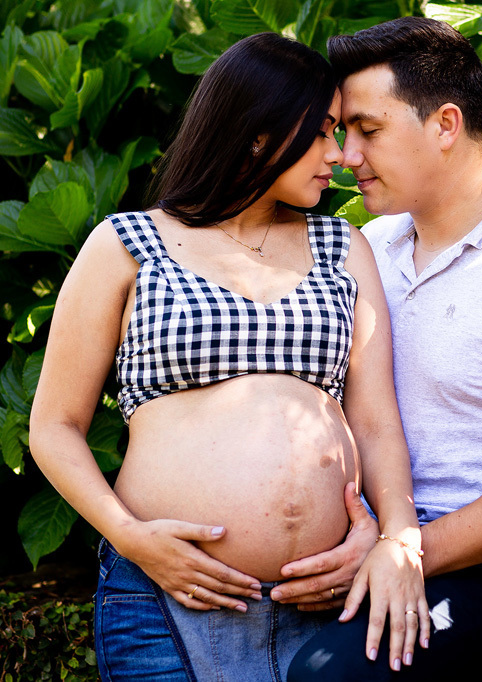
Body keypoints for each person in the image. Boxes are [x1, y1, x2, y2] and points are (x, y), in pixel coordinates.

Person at [29, 33, 428, 682]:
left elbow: (377, 420)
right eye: (323, 131)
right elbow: (53, 426)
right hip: (166, 598)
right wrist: (132, 539)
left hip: (329, 602)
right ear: (258, 132)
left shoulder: (342, 246)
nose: (339, 154)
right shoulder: (128, 244)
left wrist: (389, 540)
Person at [279, 17, 482, 681]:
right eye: (343, 132)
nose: (347, 155)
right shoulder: (368, 249)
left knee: (327, 675)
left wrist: (407, 551)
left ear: (445, 125)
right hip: (378, 538)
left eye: (368, 130)